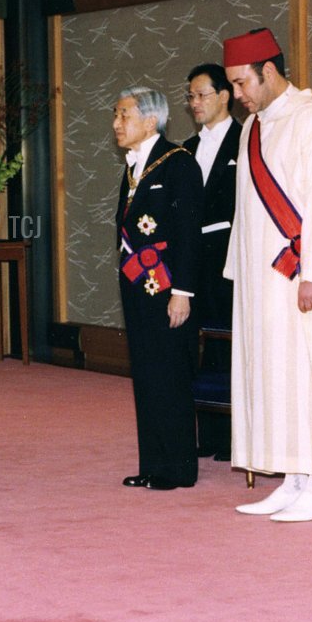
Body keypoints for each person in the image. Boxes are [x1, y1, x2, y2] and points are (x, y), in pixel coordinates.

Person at [223, 27, 312, 523]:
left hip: (303, 271)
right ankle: (291, 478)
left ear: (268, 71)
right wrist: (237, 270)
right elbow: (245, 208)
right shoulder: (254, 126)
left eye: (242, 84)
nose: (236, 96)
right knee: (274, 374)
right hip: (264, 280)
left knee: (308, 371)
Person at [114, 87, 203, 491]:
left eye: (124, 115)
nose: (116, 124)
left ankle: (178, 468)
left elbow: (188, 232)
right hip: (137, 286)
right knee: (147, 373)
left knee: (169, 374)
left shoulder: (179, 163)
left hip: (169, 287)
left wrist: (182, 290)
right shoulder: (133, 167)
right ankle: (153, 463)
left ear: (150, 121)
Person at [182, 63, 241, 461]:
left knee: (227, 343)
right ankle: (204, 433)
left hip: (227, 256)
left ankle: (233, 437)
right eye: (190, 96)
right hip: (190, 259)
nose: (195, 103)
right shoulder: (185, 148)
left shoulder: (246, 140)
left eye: (202, 94)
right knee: (193, 342)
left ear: (225, 95)